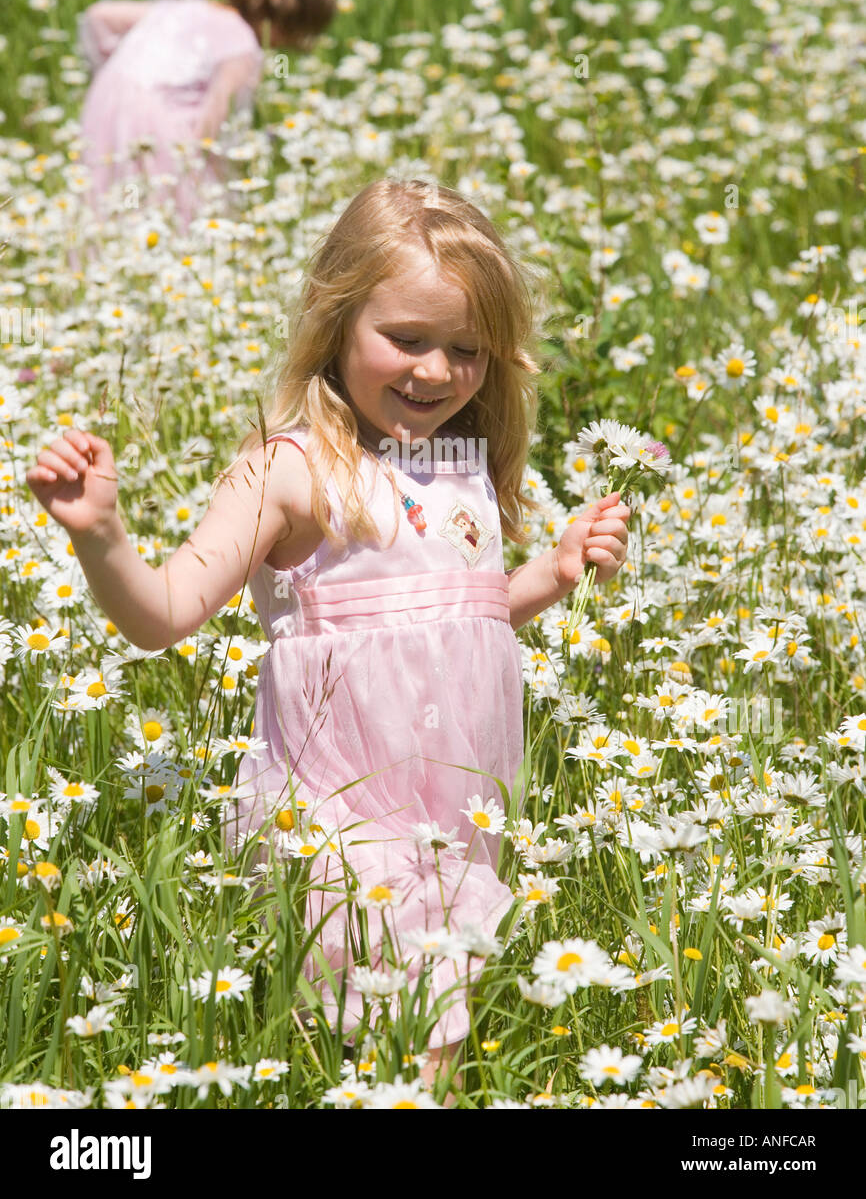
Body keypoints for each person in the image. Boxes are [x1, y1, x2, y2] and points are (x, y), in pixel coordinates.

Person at [25, 178, 631, 1095]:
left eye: (467, 349)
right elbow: (162, 616)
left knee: (422, 1039)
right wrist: (101, 535)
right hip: (336, 817)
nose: (436, 371)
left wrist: (550, 572)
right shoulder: (289, 471)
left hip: (452, 811)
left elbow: (455, 621)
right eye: (407, 340)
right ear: (338, 320)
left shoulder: (458, 466)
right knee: (375, 1036)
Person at [76, 0, 337, 225]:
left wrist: (118, 78)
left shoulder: (184, 8)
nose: (285, 46)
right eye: (293, 33)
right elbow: (211, 128)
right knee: (170, 212)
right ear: (283, 12)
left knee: (110, 204)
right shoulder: (242, 45)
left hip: (105, 107)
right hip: (157, 123)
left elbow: (98, 16)